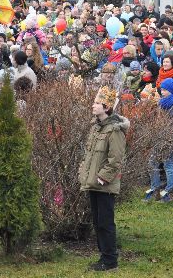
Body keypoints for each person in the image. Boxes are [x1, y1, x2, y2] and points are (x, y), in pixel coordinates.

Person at [78, 86, 128, 272]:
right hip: (92, 182)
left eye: (97, 103)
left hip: (104, 185)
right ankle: (103, 257)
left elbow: (116, 159)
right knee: (98, 222)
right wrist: (83, 172)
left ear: (106, 107)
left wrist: (103, 178)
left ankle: (110, 260)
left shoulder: (114, 130)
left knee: (105, 223)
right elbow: (89, 154)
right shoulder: (96, 127)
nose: (93, 105)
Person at [145, 79, 173, 203]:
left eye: (165, 90)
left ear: (172, 91)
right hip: (159, 136)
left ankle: (169, 192)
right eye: (161, 89)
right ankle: (155, 188)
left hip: (170, 138)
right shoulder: (163, 103)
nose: (162, 92)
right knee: (152, 162)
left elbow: (171, 123)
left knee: (168, 165)